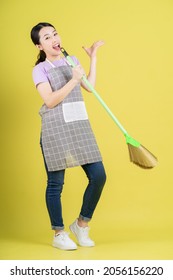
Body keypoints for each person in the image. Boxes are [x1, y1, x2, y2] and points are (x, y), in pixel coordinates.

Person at [30, 22, 106, 250]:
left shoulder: (71, 60)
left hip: (78, 125)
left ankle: (81, 225)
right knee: (56, 184)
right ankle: (59, 233)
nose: (53, 38)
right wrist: (73, 79)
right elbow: (50, 100)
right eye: (46, 37)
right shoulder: (39, 69)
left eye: (55, 33)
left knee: (99, 176)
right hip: (55, 129)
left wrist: (92, 58)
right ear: (39, 45)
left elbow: (90, 88)